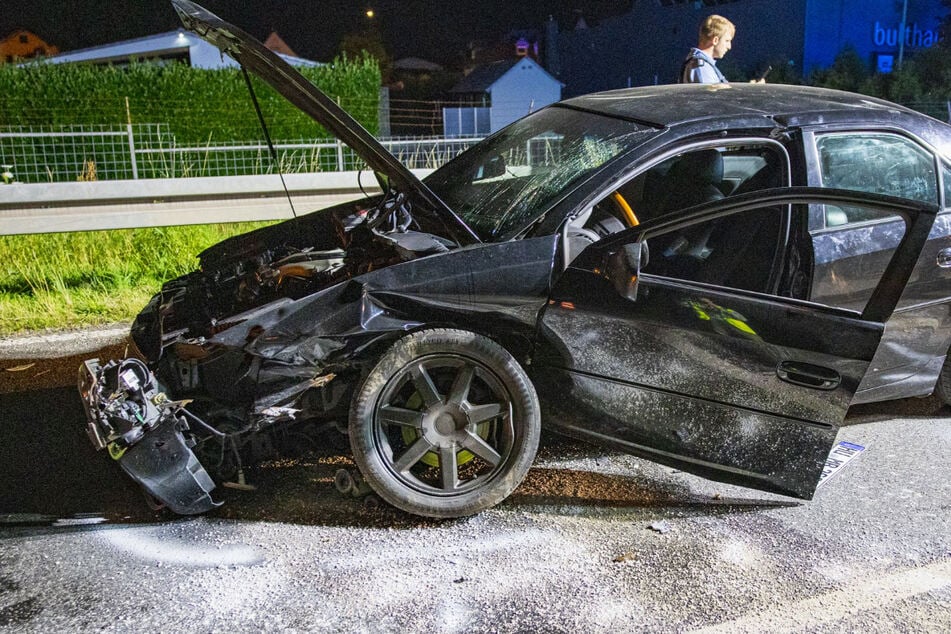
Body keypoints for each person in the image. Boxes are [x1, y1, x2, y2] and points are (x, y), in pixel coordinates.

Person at [680, 15, 736, 84]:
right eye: (727, 41)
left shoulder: (699, 64)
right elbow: (710, 94)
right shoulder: (702, 68)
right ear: (715, 40)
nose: (729, 47)